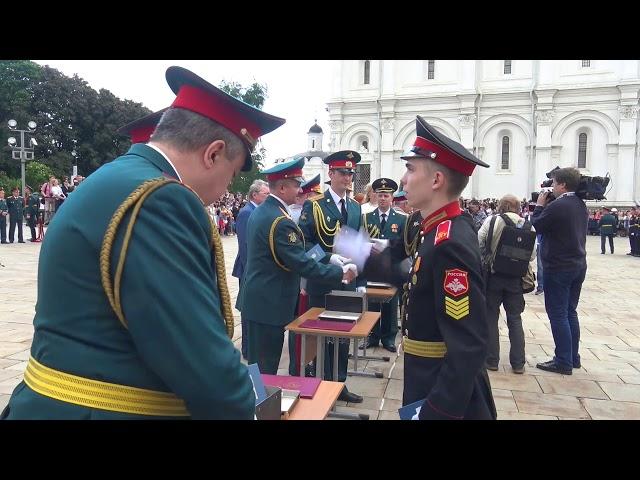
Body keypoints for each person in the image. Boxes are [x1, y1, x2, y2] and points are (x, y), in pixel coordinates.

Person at [1, 65, 285, 420]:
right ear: (213, 153)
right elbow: (199, 359)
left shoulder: (118, 176)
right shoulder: (162, 199)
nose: (225, 189)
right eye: (231, 173)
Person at [335, 115, 496, 419]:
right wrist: (357, 252)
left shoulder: (450, 243)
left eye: (410, 169)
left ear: (436, 181)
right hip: (424, 375)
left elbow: (468, 346)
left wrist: (437, 411)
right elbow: (414, 277)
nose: (404, 180)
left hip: (441, 391)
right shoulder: (433, 228)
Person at [239, 157, 356, 374]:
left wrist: (327, 258)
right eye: (296, 184)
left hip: (262, 299)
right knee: (264, 369)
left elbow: (297, 253)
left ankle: (257, 404)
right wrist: (339, 272)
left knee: (259, 367)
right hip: (269, 303)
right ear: (282, 187)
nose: (300, 189)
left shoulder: (266, 211)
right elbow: (301, 262)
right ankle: (258, 407)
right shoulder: (280, 220)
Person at [298, 150, 367, 403]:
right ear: (331, 174)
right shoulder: (314, 204)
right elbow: (303, 245)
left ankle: (339, 384)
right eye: (343, 173)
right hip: (322, 281)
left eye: (351, 173)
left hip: (347, 282)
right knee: (322, 336)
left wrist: (360, 271)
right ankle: (320, 382)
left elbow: (360, 241)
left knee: (342, 336)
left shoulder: (356, 207)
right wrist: (327, 259)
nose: (348, 178)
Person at [531, 167, 588, 375]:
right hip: (578, 264)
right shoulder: (579, 203)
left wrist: (538, 206)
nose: (552, 187)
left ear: (563, 184)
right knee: (570, 311)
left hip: (559, 266)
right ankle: (573, 357)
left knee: (558, 313)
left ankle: (563, 360)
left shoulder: (560, 205)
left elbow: (536, 225)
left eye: (554, 183)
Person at [478, 194, 536, 374]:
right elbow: (532, 255)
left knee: (490, 318)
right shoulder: (527, 224)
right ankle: (518, 363)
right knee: (515, 319)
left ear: (501, 207)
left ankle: (491, 360)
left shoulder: (492, 221)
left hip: (493, 277)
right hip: (515, 280)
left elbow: (478, 242)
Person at [360, 177, 405, 352]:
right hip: (372, 268)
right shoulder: (366, 217)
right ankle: (372, 335)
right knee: (371, 305)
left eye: (386, 195)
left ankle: (389, 338)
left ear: (392, 198)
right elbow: (362, 240)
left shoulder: (402, 219)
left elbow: (403, 245)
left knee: (390, 305)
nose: (382, 198)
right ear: (374, 196)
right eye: (379, 195)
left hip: (391, 268)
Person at [232, 179, 269, 359]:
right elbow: (246, 245)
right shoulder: (247, 213)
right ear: (254, 195)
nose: (268, 196)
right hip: (248, 270)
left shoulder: (258, 211)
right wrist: (251, 272)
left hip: (252, 270)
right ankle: (247, 348)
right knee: (248, 310)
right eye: (265, 194)